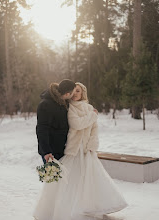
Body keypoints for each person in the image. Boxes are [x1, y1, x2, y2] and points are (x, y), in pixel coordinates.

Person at [33, 82, 127, 220]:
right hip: (73, 149)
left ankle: (97, 206)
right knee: (63, 181)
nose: (75, 94)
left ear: (83, 93)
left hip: (87, 150)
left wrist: (92, 144)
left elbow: (94, 129)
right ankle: (51, 210)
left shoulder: (89, 108)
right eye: (73, 91)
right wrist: (93, 116)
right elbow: (76, 124)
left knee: (93, 179)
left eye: (78, 91)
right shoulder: (68, 107)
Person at [36, 79, 76, 163]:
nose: (74, 95)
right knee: (52, 176)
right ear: (67, 94)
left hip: (62, 149)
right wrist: (47, 152)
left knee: (63, 176)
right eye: (73, 93)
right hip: (51, 152)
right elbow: (42, 129)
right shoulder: (45, 105)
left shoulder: (65, 102)